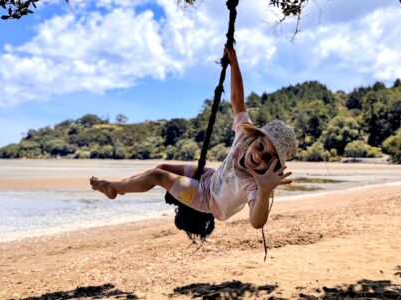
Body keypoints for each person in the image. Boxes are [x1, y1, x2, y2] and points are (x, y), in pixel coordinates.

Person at [90, 47, 298, 229]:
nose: (260, 156)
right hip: (210, 177)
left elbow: (256, 222)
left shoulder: (255, 184)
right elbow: (237, 100)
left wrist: (264, 190)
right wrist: (234, 61)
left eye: (269, 158)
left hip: (208, 199)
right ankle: (121, 185)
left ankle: (114, 188)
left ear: (274, 167)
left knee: (157, 175)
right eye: (261, 146)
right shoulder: (245, 137)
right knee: (164, 166)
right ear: (255, 139)